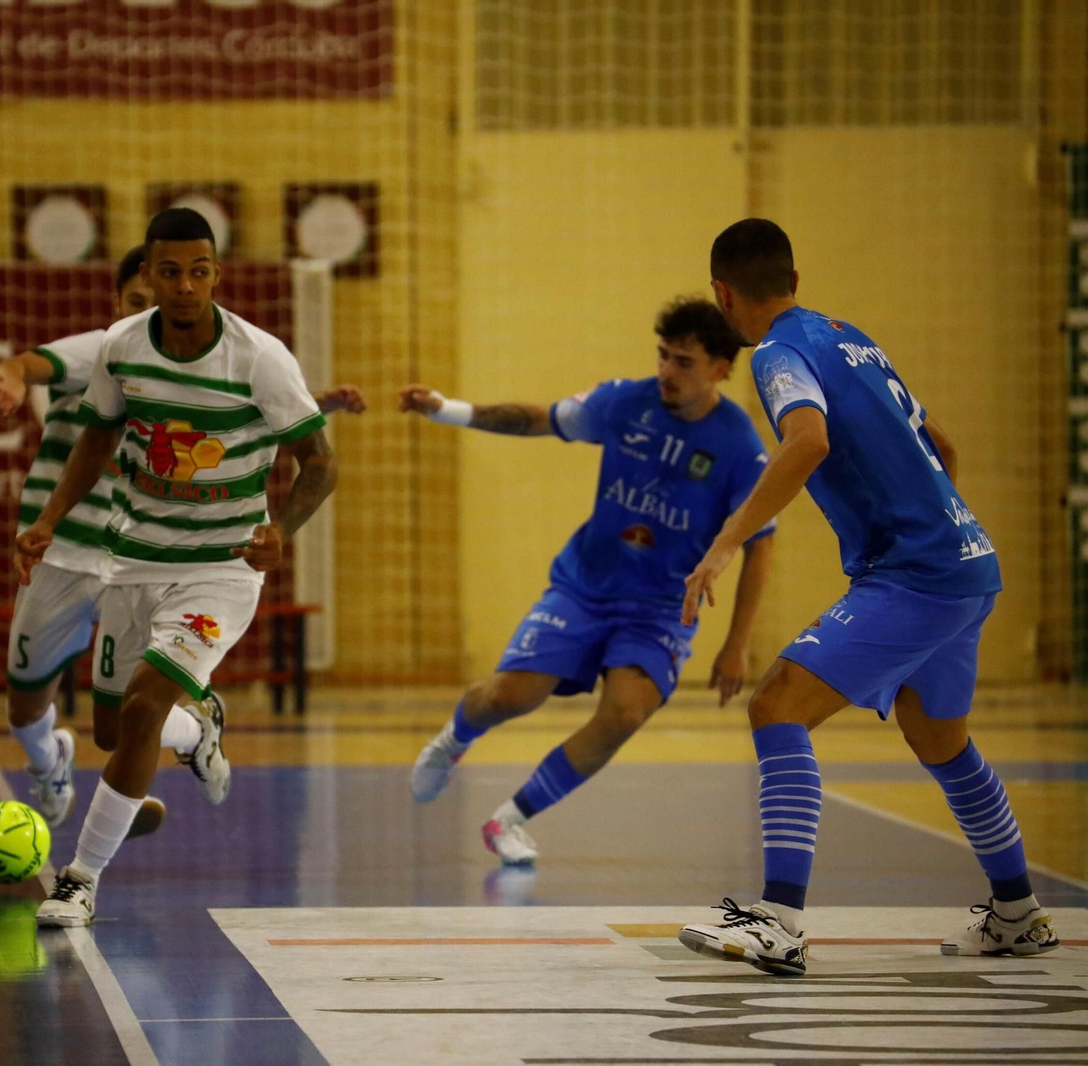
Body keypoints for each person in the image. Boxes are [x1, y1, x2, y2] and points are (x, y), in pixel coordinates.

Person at [676, 218, 1057, 976]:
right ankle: (1017, 913)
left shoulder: (781, 353)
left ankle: (779, 921)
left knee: (776, 704)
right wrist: (933, 524)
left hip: (918, 574)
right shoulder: (851, 337)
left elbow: (808, 441)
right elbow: (940, 446)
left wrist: (724, 544)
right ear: (795, 277)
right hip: (968, 562)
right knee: (939, 739)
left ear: (724, 294)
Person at [14, 208, 338, 927]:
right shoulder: (123, 346)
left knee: (139, 709)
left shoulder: (260, 357)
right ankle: (198, 732)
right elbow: (97, 435)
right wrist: (47, 520)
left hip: (220, 570)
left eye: (200, 271)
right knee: (111, 729)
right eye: (171, 271)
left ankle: (80, 879)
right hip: (133, 559)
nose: (186, 285)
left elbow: (320, 461)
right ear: (149, 276)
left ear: (216, 275)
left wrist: (281, 530)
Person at [404, 297, 776, 864]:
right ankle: (451, 743)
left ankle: (510, 820)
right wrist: (449, 410)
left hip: (658, 607)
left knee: (626, 711)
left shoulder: (740, 447)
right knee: (512, 694)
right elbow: (541, 419)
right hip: (586, 586)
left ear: (721, 369)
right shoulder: (625, 401)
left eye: (683, 362)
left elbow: (761, 544)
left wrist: (736, 645)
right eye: (662, 357)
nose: (666, 373)